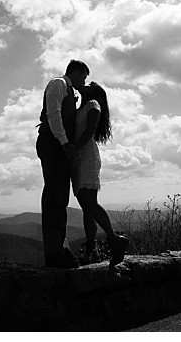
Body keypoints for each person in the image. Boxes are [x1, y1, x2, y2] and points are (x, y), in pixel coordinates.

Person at [36, 59, 89, 269]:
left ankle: (59, 250)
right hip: (53, 144)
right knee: (54, 198)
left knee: (59, 198)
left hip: (56, 145)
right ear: (75, 72)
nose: (84, 81)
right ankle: (54, 254)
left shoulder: (68, 89)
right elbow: (54, 114)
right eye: (83, 76)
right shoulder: (58, 84)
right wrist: (65, 143)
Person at [69, 81, 129, 266]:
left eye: (88, 85)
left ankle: (113, 239)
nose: (84, 86)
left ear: (93, 91)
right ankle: (92, 250)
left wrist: (75, 148)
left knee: (90, 202)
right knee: (86, 207)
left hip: (86, 156)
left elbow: (89, 130)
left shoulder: (93, 105)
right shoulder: (83, 105)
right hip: (79, 157)